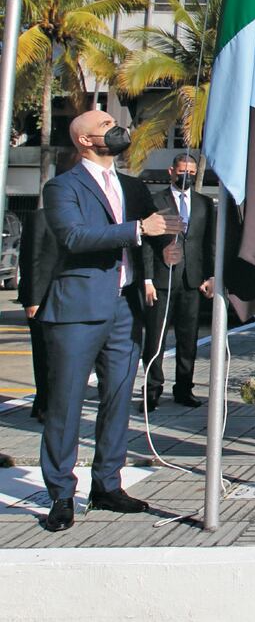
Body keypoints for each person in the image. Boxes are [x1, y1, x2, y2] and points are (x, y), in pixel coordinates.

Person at [37, 110, 182, 532]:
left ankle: (107, 483)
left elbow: (155, 235)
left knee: (118, 399)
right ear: (85, 140)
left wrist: (170, 236)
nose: (116, 127)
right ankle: (62, 492)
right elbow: (74, 237)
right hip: (78, 308)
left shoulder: (134, 187)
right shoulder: (62, 187)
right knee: (65, 403)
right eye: (105, 124)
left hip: (125, 306)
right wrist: (138, 229)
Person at [141, 154, 215, 410]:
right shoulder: (155, 200)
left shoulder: (204, 203)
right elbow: (147, 245)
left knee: (188, 337)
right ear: (172, 171)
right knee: (156, 338)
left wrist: (210, 276)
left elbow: (209, 243)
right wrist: (147, 279)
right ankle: (152, 390)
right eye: (183, 171)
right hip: (162, 279)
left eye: (192, 173)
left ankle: (184, 388)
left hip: (192, 280)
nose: (187, 176)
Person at [17, 209, 59, 424]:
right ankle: (43, 403)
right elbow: (29, 259)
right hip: (42, 298)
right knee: (44, 355)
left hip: (70, 298)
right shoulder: (40, 218)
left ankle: (50, 403)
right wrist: (32, 299)